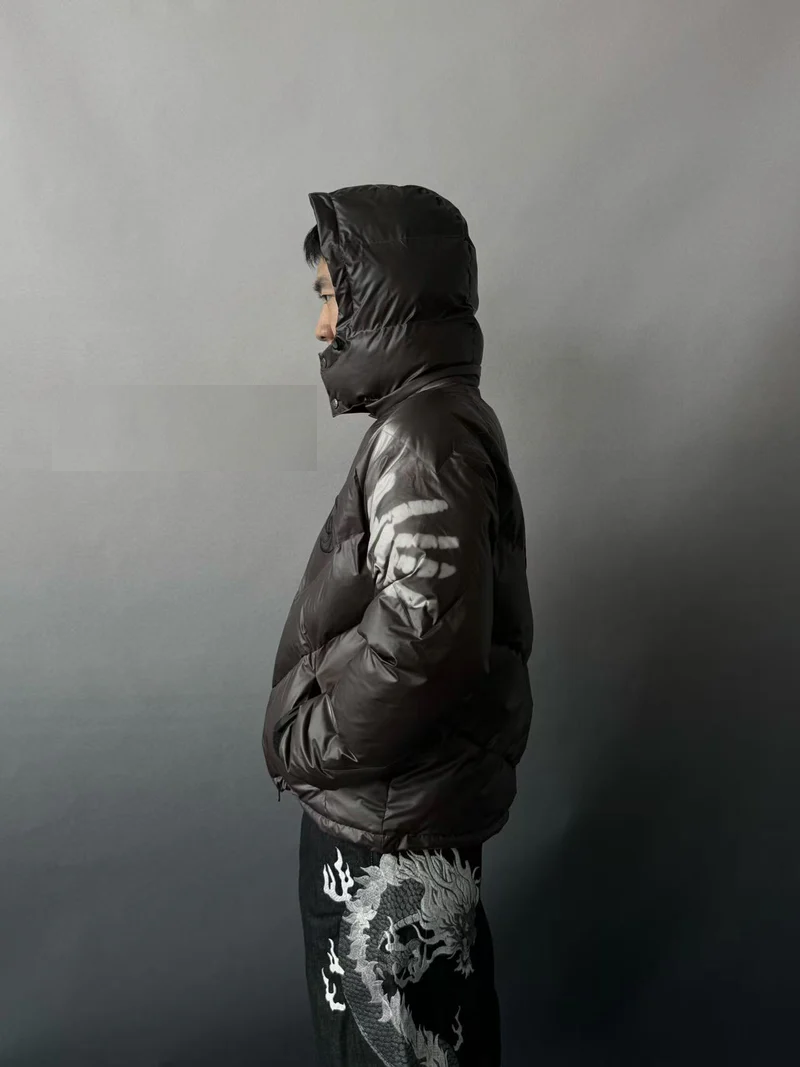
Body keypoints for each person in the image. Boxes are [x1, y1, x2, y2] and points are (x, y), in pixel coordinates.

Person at [262, 184, 533, 1067]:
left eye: (330, 297)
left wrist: (306, 742)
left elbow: (424, 644)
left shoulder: (425, 435)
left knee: (393, 1049)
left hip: (386, 832)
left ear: (387, 299)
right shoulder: (430, 423)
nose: (321, 326)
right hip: (396, 818)